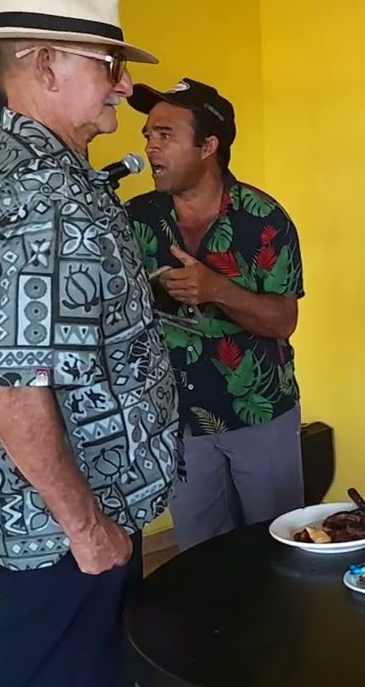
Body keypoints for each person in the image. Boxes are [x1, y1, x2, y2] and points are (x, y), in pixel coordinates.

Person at [0, 0, 181, 685]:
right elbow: (13, 386)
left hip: (69, 517)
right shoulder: (47, 198)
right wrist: (86, 529)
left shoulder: (29, 167)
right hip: (70, 532)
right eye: (107, 66)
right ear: (46, 64)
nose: (122, 85)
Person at [125, 78, 306, 552]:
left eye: (165, 135)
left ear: (209, 146)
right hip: (178, 420)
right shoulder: (135, 218)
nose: (150, 147)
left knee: (279, 553)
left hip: (260, 415)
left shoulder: (264, 219)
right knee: (200, 559)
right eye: (148, 135)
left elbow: (282, 321)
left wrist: (218, 289)